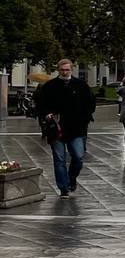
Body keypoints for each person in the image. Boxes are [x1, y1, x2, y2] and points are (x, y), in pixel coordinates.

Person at [35, 59, 95, 198]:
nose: (64, 72)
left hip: (76, 128)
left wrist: (85, 118)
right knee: (59, 159)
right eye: (62, 70)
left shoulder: (81, 85)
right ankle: (64, 187)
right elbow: (41, 104)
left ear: (71, 70)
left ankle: (71, 178)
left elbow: (90, 103)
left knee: (78, 157)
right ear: (58, 70)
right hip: (56, 128)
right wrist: (47, 114)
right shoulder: (50, 86)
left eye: (67, 70)